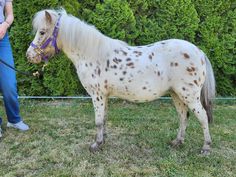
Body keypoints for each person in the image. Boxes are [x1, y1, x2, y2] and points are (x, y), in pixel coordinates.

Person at [0, 0, 29, 137]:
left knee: (9, 83)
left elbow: (10, 14)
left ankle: (14, 120)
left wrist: (5, 25)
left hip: (2, 38)